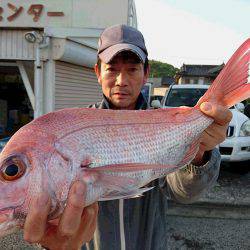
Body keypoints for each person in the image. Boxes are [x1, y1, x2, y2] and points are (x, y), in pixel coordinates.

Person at [23, 24, 232, 250]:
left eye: (132, 69)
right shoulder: (74, 131)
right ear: (97, 72)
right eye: (112, 69)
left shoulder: (164, 124)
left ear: (146, 73)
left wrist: (200, 154)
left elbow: (183, 192)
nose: (121, 80)